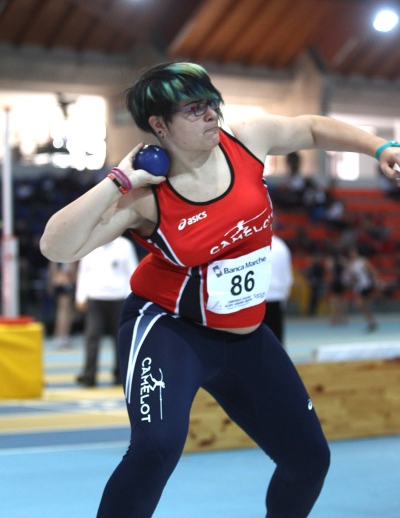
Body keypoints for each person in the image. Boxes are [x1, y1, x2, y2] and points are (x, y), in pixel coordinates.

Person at [39, 61, 400, 518]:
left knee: (309, 459)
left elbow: (310, 128)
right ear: (159, 125)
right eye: (194, 109)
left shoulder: (247, 140)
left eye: (211, 102)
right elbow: (56, 247)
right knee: (156, 449)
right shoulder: (146, 196)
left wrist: (380, 146)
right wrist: (118, 181)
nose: (211, 113)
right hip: (170, 330)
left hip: (245, 336)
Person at [75, 236, 140, 387]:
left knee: (120, 339)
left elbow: (133, 272)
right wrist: (80, 296)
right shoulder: (89, 244)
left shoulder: (125, 246)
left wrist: (131, 299)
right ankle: (89, 375)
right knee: (92, 337)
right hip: (95, 298)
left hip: (119, 299)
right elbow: (83, 272)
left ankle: (121, 375)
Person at [263, 234, 293, 344]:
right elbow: (287, 276)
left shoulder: (253, 243)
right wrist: (284, 296)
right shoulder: (281, 246)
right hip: (276, 297)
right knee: (276, 338)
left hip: (256, 299)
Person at [346, 247, 380, 332]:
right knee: (362, 306)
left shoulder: (362, 261)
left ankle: (371, 321)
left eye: (354, 252)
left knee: (360, 304)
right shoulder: (351, 263)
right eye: (351, 253)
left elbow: (372, 271)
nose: (352, 254)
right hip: (358, 286)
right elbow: (351, 275)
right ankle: (371, 322)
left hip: (365, 285)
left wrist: (375, 280)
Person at [47, 260, 78, 349]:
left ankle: (62, 337)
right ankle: (61, 337)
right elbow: (71, 269)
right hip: (64, 283)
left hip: (58, 282)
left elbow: (52, 269)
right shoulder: (67, 257)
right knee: (64, 312)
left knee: (63, 312)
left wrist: (51, 283)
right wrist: (74, 279)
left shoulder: (54, 256)